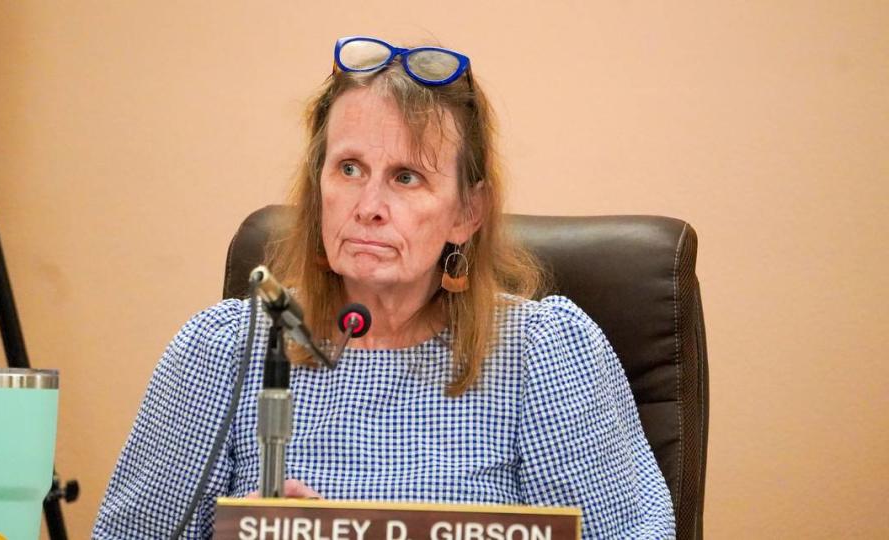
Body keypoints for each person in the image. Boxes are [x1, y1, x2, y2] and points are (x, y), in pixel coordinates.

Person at [93, 36, 675, 539]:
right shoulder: (223, 349)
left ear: (468, 212)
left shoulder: (545, 353)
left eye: (406, 177)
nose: (369, 207)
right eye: (348, 169)